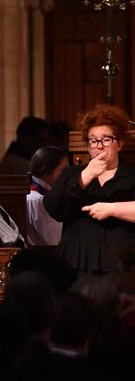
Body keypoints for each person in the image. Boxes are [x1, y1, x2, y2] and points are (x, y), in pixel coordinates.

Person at [45, 104, 135, 274]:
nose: (99, 146)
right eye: (93, 141)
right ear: (88, 147)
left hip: (123, 266)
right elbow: (54, 208)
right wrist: (85, 177)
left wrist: (111, 209)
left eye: (106, 139)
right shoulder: (72, 174)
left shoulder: (132, 174)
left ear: (120, 144)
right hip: (76, 263)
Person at [26, 146, 67, 246]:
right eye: (63, 170)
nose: (66, 176)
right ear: (46, 170)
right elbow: (53, 241)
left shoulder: (41, 196)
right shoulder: (36, 199)